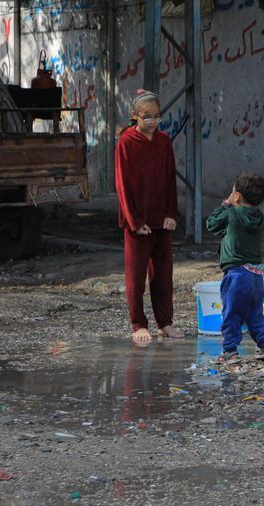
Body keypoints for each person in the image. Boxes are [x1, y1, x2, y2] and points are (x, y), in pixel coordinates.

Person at [115, 89, 183, 344]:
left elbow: (170, 180)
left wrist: (171, 214)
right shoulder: (126, 142)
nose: (153, 122)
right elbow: (122, 184)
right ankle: (138, 324)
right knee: (136, 276)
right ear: (135, 116)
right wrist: (134, 221)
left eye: (157, 116)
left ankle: (165, 323)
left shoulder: (164, 141)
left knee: (163, 275)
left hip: (161, 220)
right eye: (147, 117)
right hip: (138, 221)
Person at [205, 173, 264, 362]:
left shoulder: (231, 213)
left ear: (236, 196)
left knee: (232, 312)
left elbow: (211, 225)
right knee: (255, 313)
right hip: (256, 274)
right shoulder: (258, 216)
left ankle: (230, 351)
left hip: (236, 273)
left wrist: (225, 205)